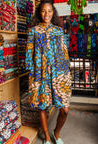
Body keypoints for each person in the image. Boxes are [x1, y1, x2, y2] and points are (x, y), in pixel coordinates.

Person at [25, 0, 72, 144]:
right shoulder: (33, 31)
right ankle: (46, 136)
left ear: (53, 13)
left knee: (65, 109)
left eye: (50, 11)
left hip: (59, 72)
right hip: (40, 73)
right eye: (44, 11)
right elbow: (29, 54)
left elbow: (64, 52)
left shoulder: (58, 31)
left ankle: (56, 133)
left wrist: (66, 73)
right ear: (40, 12)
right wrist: (33, 76)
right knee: (42, 106)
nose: (47, 14)